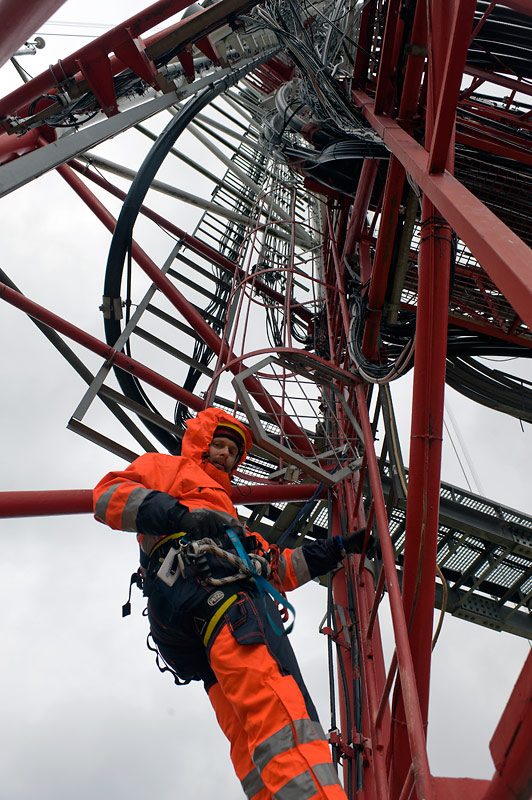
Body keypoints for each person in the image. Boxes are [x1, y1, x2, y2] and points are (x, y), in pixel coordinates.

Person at [93, 407, 363, 800]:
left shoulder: (231, 522)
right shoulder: (166, 468)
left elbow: (277, 568)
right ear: (201, 444)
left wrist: (335, 549)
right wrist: (179, 516)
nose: (225, 455)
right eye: (218, 445)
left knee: (248, 730)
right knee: (276, 705)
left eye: (233, 452)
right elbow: (107, 496)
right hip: (217, 601)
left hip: (188, 621)